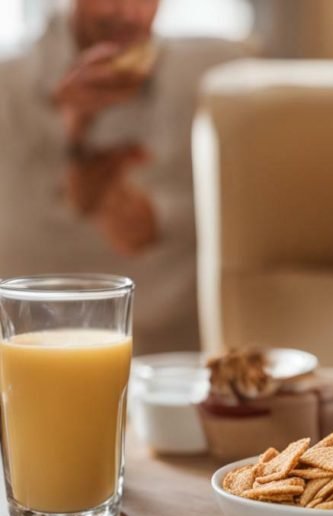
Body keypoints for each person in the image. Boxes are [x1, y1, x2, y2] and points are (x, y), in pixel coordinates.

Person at [0, 0, 246, 354]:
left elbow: (256, 217)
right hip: (36, 353)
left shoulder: (216, 75)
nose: (128, 14)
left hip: (172, 358)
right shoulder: (10, 87)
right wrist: (74, 138)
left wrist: (158, 219)